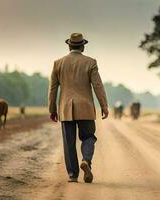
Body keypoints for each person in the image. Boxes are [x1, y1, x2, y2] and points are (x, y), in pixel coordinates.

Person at [48, 33, 109, 183]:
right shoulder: (91, 63)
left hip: (65, 109)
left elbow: (52, 89)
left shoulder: (58, 63)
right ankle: (86, 160)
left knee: (69, 142)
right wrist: (104, 105)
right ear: (82, 46)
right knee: (88, 137)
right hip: (86, 108)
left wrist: (52, 109)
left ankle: (72, 175)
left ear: (69, 46)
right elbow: (98, 85)